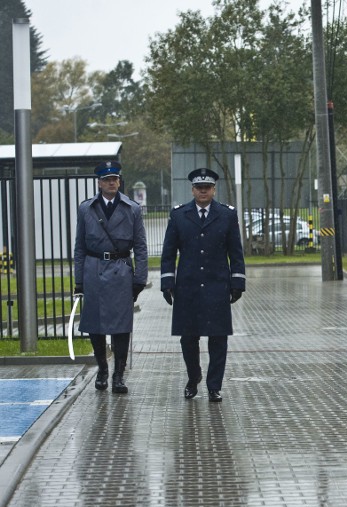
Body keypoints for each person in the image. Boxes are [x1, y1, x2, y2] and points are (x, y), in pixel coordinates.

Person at [160, 168, 246, 402]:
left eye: (207, 187)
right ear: (192, 190)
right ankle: (193, 376)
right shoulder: (179, 215)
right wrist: (167, 282)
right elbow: (168, 253)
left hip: (217, 285)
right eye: (199, 187)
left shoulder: (227, 215)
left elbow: (235, 252)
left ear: (214, 189)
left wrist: (237, 281)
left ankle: (214, 386)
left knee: (218, 338)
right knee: (188, 338)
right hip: (187, 287)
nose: (203, 191)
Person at [73, 160, 148, 394]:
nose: (111, 183)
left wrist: (139, 279)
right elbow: (80, 247)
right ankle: (102, 369)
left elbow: (141, 247)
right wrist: (79, 280)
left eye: (115, 179)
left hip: (120, 270)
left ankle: (118, 375)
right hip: (94, 269)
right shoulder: (87, 208)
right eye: (107, 179)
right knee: (95, 325)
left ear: (119, 181)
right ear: (99, 183)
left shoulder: (132, 208)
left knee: (121, 326)